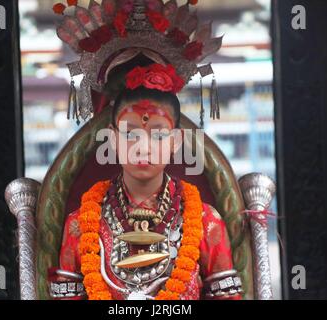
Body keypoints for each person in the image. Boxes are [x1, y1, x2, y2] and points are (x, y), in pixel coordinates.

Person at [48, 0, 243, 300]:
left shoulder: (205, 222)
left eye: (158, 135)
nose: (143, 147)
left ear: (177, 142)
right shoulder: (81, 224)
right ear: (112, 140)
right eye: (130, 134)